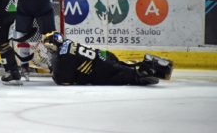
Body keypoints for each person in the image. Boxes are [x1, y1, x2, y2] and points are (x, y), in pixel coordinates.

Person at [37, 32, 173, 86]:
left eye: (49, 48)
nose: (49, 51)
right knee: (121, 66)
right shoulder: (67, 43)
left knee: (129, 77)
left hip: (101, 71)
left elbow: (64, 81)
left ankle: (142, 73)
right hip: (105, 56)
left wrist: (52, 68)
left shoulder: (63, 57)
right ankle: (143, 67)